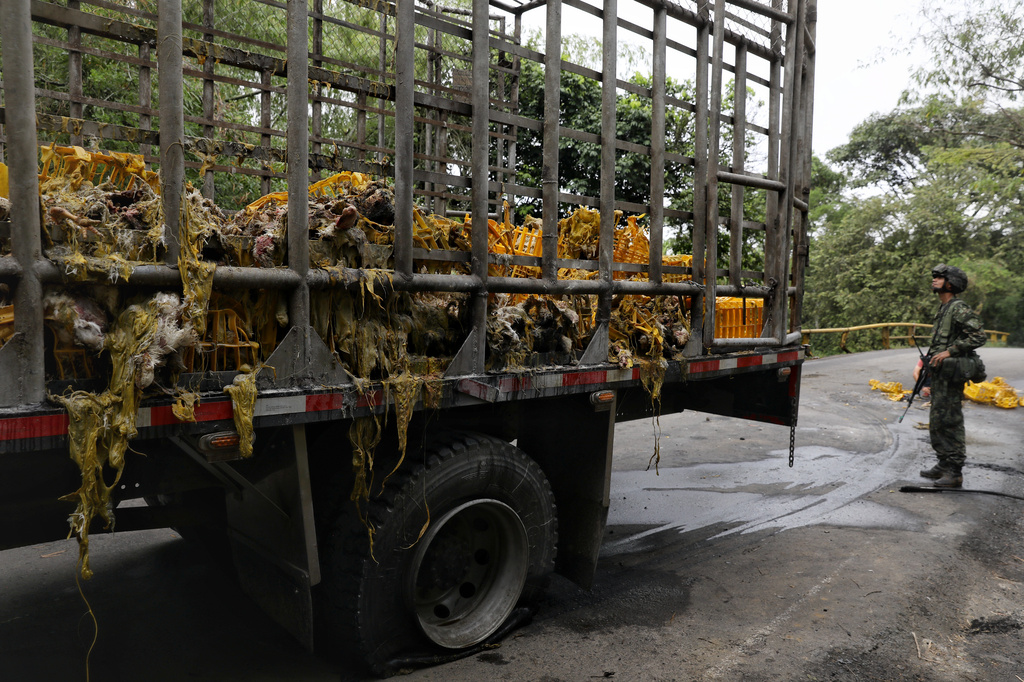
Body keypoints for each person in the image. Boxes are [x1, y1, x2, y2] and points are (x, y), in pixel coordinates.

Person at [919, 264, 987, 488]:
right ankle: (943, 463)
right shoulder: (944, 308)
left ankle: (955, 471)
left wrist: (951, 351)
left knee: (951, 421)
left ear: (951, 283)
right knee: (937, 420)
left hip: (952, 374)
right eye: (935, 277)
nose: (934, 280)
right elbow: (939, 343)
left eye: (939, 277)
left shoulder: (958, 308)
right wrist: (925, 364)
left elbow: (979, 336)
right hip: (940, 374)